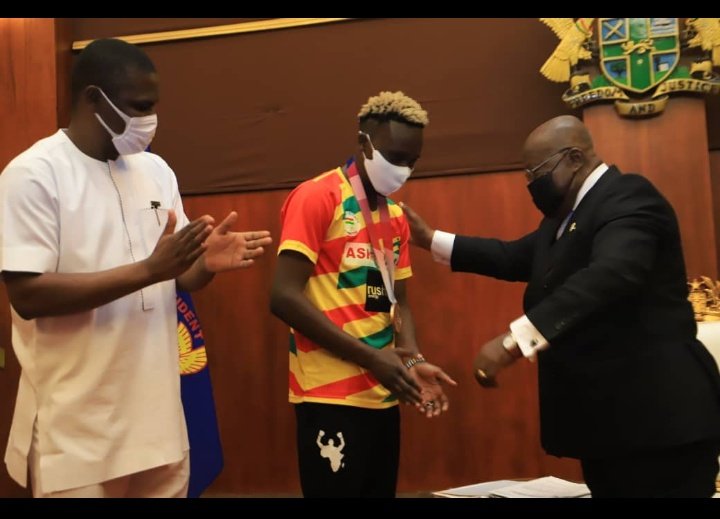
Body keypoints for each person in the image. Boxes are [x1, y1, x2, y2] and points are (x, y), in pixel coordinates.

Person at [0, 38, 273, 498]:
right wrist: (148, 270)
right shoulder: (33, 175)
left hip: (159, 424)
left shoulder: (156, 171)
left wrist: (204, 264)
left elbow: (178, 276)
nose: (150, 119)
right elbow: (28, 296)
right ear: (93, 99)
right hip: (77, 433)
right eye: (139, 106)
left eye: (154, 106)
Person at [401, 115, 720, 498]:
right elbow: (511, 257)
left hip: (659, 422)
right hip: (611, 428)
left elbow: (612, 274)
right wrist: (430, 239)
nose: (531, 184)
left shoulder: (629, 196)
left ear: (574, 158)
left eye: (536, 172)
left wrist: (514, 341)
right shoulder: (564, 219)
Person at [270, 91, 456, 498]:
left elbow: (397, 301)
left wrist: (412, 359)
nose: (403, 169)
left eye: (412, 161)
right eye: (395, 157)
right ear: (364, 143)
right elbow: (283, 296)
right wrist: (371, 357)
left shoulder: (395, 216)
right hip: (328, 395)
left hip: (383, 392)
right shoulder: (318, 196)